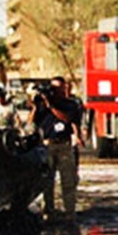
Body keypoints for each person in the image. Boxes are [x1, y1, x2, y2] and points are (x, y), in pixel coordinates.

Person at [30, 76, 84, 225]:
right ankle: (49, 212)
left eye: (59, 88)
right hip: (47, 144)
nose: (57, 92)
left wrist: (51, 105)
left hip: (64, 145)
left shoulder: (70, 104)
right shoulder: (43, 105)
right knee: (47, 182)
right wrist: (36, 106)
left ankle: (70, 213)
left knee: (68, 181)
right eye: (54, 89)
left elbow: (67, 119)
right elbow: (31, 122)